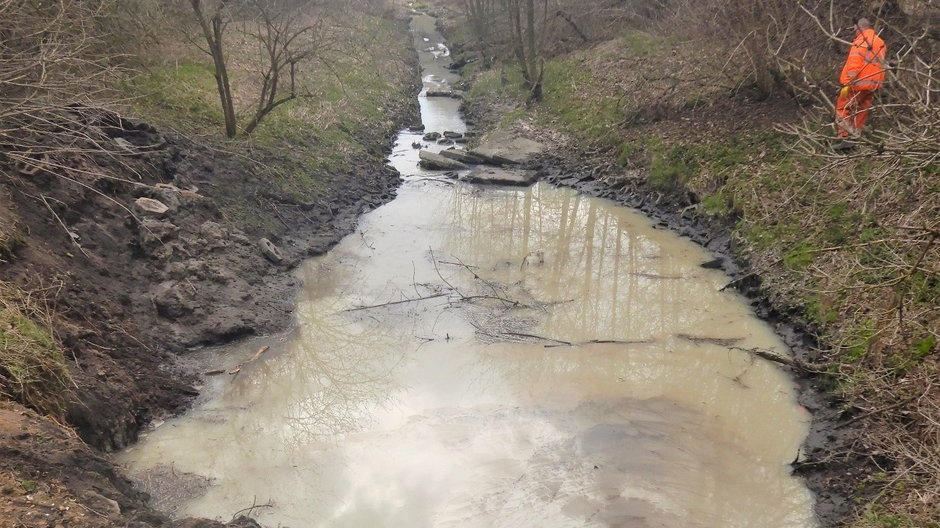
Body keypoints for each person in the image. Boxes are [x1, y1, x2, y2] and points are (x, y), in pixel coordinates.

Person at [834, 18, 886, 149]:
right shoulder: (879, 42)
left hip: (858, 83)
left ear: (860, 28)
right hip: (873, 84)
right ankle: (856, 137)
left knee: (843, 108)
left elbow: (855, 64)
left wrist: (846, 83)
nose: (854, 32)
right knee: (862, 109)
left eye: (855, 29)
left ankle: (844, 137)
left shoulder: (860, 42)